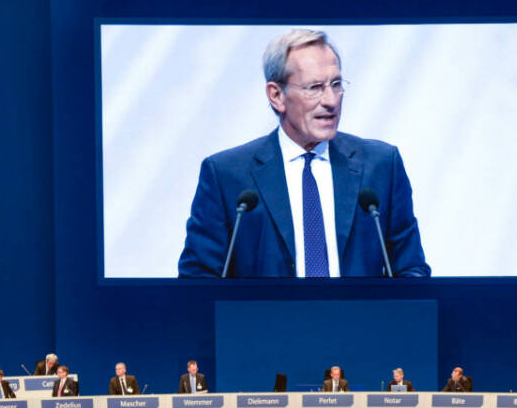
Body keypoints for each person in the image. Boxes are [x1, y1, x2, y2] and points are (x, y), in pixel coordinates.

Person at [178, 28, 429, 279]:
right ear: (277, 95)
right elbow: (199, 280)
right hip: (265, 319)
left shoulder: (381, 166)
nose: (331, 100)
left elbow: (411, 270)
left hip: (359, 318)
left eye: (336, 84)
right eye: (315, 87)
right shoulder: (226, 175)